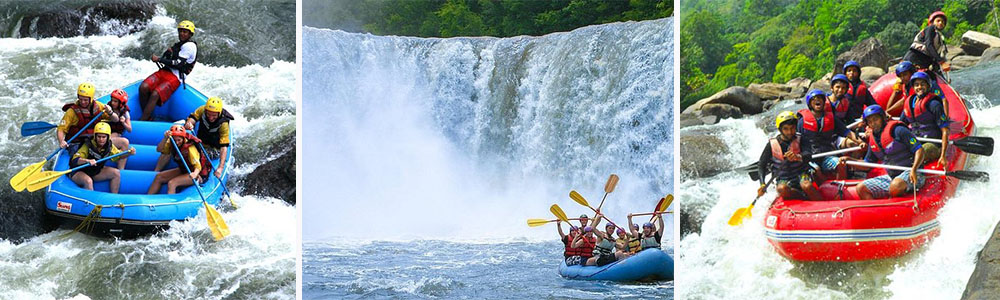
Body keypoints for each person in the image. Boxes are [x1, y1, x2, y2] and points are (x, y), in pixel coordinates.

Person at [840, 105, 926, 199]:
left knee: (895, 186)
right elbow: (867, 164)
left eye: (875, 119)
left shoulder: (898, 130)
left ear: (883, 118)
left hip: (913, 172)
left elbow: (919, 149)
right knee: (861, 188)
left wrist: (914, 169)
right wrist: (849, 160)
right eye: (870, 121)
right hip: (892, 176)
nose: (873, 123)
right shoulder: (874, 139)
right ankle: (875, 212)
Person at [139, 20, 198, 121]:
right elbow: (169, 58)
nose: (182, 34)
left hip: (176, 76)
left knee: (155, 94)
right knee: (143, 87)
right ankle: (148, 117)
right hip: (165, 71)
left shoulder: (189, 46)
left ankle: (142, 120)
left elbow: (178, 63)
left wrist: (159, 59)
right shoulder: (179, 44)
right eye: (181, 31)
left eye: (185, 32)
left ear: (190, 34)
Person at [798, 90, 863, 180]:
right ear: (810, 104)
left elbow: (847, 132)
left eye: (820, 98)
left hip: (827, 155)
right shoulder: (802, 122)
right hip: (810, 158)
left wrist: (860, 142)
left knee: (841, 163)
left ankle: (841, 186)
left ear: (824, 102)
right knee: (815, 171)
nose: (817, 100)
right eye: (814, 99)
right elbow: (796, 140)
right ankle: (822, 188)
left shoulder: (831, 118)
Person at [757, 111, 821, 200]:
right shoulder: (771, 144)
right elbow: (761, 165)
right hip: (783, 177)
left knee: (806, 185)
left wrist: (797, 157)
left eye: (792, 128)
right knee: (781, 189)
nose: (790, 132)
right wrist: (762, 184)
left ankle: (819, 202)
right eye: (786, 129)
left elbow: (808, 155)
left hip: (801, 173)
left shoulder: (801, 138)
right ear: (780, 130)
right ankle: (803, 197)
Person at [901, 71, 950, 169]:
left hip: (933, 143)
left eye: (922, 84)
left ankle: (913, 172)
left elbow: (945, 130)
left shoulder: (934, 104)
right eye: (916, 85)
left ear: (928, 86)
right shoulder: (909, 103)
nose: (919, 87)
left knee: (921, 152)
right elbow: (901, 124)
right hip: (916, 140)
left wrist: (943, 155)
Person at [70, 122, 135, 193]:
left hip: (94, 171)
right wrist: (87, 161)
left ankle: (113, 198)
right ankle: (91, 202)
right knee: (88, 181)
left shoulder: (109, 146)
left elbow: (118, 156)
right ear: (95, 136)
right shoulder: (88, 145)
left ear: (108, 137)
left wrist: (128, 153)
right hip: (79, 171)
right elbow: (75, 160)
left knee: (116, 173)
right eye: (99, 137)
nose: (101, 139)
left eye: (103, 137)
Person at [147, 125, 209, 194]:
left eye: (179, 140)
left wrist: (195, 173)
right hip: (184, 169)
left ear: (183, 138)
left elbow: (198, 165)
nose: (177, 142)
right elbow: (159, 149)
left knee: (172, 183)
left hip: (197, 173)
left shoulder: (190, 147)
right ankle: (147, 199)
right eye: (174, 140)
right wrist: (165, 138)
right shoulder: (172, 142)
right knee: (159, 177)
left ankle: (170, 204)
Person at [184, 97, 232, 178]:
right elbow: (192, 119)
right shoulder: (202, 110)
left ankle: (200, 175)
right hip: (200, 142)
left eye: (214, 115)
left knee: (197, 156)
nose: (210, 117)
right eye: (209, 114)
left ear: (219, 113)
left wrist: (220, 168)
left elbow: (224, 147)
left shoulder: (223, 123)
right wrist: (189, 124)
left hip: (214, 149)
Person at [58, 82, 111, 154]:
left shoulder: (99, 106)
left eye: (86, 100)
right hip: (76, 142)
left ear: (91, 99)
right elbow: (61, 129)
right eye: (81, 99)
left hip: (93, 140)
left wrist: (110, 112)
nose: (83, 102)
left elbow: (114, 119)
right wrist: (61, 141)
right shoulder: (71, 112)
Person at [904, 11, 951, 76]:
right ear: (932, 22)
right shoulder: (930, 28)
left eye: (943, 22)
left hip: (924, 62)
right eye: (938, 21)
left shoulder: (940, 38)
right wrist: (942, 62)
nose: (940, 23)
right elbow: (929, 45)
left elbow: (935, 55)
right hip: (914, 59)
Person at [105, 89, 131, 170]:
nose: (113, 103)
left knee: (116, 139)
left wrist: (123, 123)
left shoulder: (125, 112)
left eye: (115, 101)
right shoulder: (108, 108)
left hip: (116, 132)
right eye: (112, 101)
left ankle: (121, 169)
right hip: (105, 130)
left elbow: (130, 129)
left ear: (121, 103)